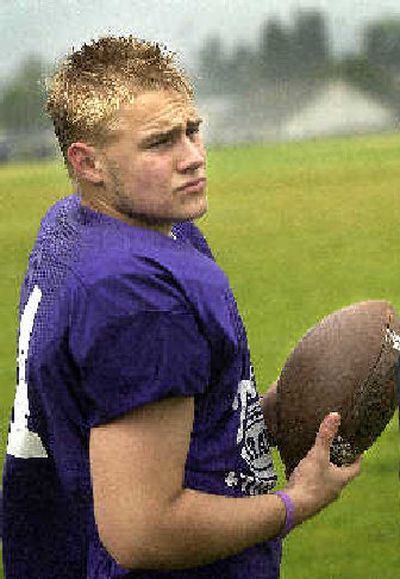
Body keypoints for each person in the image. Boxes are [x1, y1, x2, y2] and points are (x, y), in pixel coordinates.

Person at [2, 36, 362, 578]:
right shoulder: (138, 296)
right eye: (160, 143)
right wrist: (298, 502)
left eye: (193, 129)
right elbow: (143, 533)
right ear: (88, 162)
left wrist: (270, 413)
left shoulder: (76, 224)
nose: (193, 157)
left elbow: (134, 411)